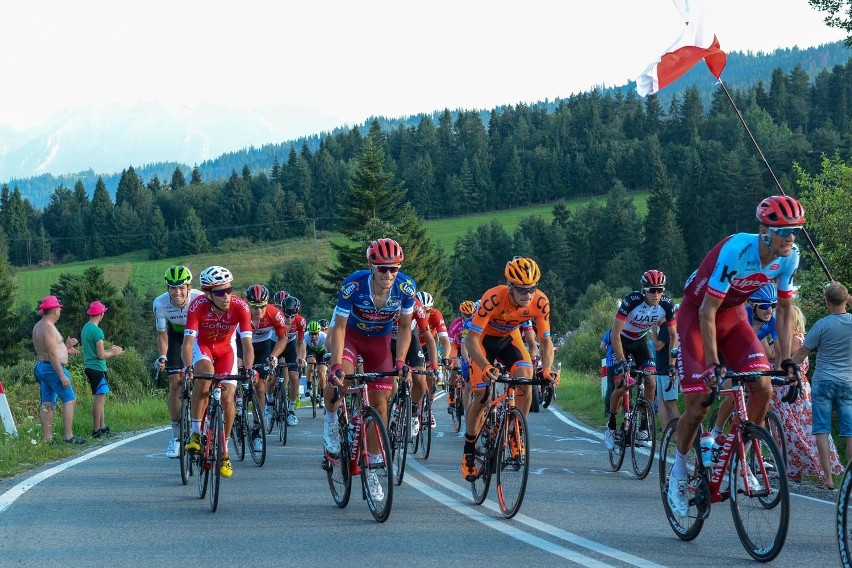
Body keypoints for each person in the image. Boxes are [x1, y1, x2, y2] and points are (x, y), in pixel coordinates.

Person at [667, 195, 804, 517]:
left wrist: (786, 360)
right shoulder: (736, 250)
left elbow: (784, 311)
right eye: (783, 230)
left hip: (733, 317)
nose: (790, 237)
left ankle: (739, 456)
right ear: (764, 230)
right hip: (697, 315)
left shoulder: (789, 257)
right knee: (700, 403)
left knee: (764, 387)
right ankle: (679, 470)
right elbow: (707, 310)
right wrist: (714, 364)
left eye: (795, 230)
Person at [325, 238, 416, 503]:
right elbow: (339, 328)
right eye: (382, 269)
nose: (388, 274)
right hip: (352, 337)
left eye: (394, 268)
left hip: (380, 343)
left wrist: (400, 361)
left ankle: (373, 467)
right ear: (371, 266)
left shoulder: (406, 288)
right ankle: (332, 422)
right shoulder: (353, 284)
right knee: (342, 381)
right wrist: (336, 365)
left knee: (380, 404)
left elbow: (406, 327)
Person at [462, 257, 559, 481]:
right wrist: (485, 366)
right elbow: (471, 339)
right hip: (483, 342)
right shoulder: (493, 298)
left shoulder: (541, 302)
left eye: (532, 289)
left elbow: (545, 341)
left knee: (526, 377)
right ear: (510, 287)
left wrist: (546, 369)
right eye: (522, 290)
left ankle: (516, 431)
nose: (528, 295)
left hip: (509, 340)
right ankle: (468, 449)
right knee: (482, 396)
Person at [182, 265, 255, 479]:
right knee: (204, 374)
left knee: (228, 397)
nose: (227, 296)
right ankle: (196, 433)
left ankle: (224, 450)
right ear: (208, 294)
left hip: (226, 349)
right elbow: (188, 343)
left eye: (229, 290)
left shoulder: (241, 306)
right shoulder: (197, 306)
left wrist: (249, 369)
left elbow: (247, 344)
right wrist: (187, 366)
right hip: (202, 346)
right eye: (220, 292)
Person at [605, 270, 678, 450]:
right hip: (621, 341)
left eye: (660, 290)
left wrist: (671, 365)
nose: (656, 294)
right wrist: (622, 360)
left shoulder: (666, 305)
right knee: (621, 385)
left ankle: (643, 426)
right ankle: (612, 424)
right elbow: (614, 334)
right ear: (643, 289)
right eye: (652, 290)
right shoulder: (631, 301)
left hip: (640, 342)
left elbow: (673, 335)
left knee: (651, 381)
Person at [792, 281, 852, 490]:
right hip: (848, 382)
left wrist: (788, 366)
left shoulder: (822, 325)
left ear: (827, 303)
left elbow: (802, 353)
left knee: (821, 430)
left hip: (824, 381)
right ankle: (849, 479)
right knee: (849, 431)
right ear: (846, 300)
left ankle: (827, 478)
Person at [153, 265, 203, 458]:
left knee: (202, 378)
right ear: (167, 288)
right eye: (173, 288)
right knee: (175, 382)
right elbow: (162, 335)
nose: (177, 292)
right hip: (175, 337)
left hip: (198, 336)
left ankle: (201, 427)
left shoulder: (199, 298)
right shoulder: (160, 303)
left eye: (182, 287)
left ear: (189, 288)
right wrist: (163, 356)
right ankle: (175, 437)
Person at [240, 284, 288, 451]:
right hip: (241, 345)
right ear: (247, 303)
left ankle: (257, 429)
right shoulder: (240, 310)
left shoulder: (275, 313)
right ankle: (239, 403)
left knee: (260, 386)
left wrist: (273, 356)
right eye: (254, 307)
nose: (258, 311)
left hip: (262, 347)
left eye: (262, 306)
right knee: (236, 374)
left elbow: (283, 339)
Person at [32, 295, 85, 444]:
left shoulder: (39, 325)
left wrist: (66, 348)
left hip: (43, 367)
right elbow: (51, 353)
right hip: (52, 369)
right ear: (55, 310)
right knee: (70, 399)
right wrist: (62, 375)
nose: (60, 312)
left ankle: (48, 439)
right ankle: (69, 437)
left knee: (47, 404)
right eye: (59, 309)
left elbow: (48, 350)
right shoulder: (48, 327)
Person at [80, 300, 124, 438]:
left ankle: (102, 427)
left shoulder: (85, 328)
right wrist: (113, 352)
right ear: (101, 314)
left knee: (101, 398)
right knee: (99, 400)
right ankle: (96, 430)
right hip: (98, 368)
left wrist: (109, 351)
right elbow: (100, 355)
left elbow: (93, 351)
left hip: (89, 366)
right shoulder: (97, 331)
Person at [279, 295, 307, 426]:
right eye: (287, 316)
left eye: (292, 317)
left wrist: (300, 358)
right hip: (276, 344)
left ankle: (290, 410)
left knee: (294, 377)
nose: (289, 320)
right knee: (273, 378)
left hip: (290, 346)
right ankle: (270, 400)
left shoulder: (301, 321)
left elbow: (301, 343)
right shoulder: (277, 318)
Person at [653, 315, 680, 431]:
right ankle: (666, 432)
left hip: (667, 369)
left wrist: (654, 332)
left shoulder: (665, 327)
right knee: (661, 402)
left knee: (670, 402)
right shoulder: (662, 327)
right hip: (660, 370)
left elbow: (658, 346)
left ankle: (680, 432)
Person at [304, 320, 328, 409]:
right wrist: (302, 359)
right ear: (309, 333)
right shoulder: (305, 336)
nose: (313, 336)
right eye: (312, 334)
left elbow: (329, 348)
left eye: (315, 334)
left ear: (319, 332)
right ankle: (308, 387)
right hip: (311, 350)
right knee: (310, 363)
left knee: (322, 373)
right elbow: (302, 348)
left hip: (322, 352)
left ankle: (322, 396)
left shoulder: (324, 336)